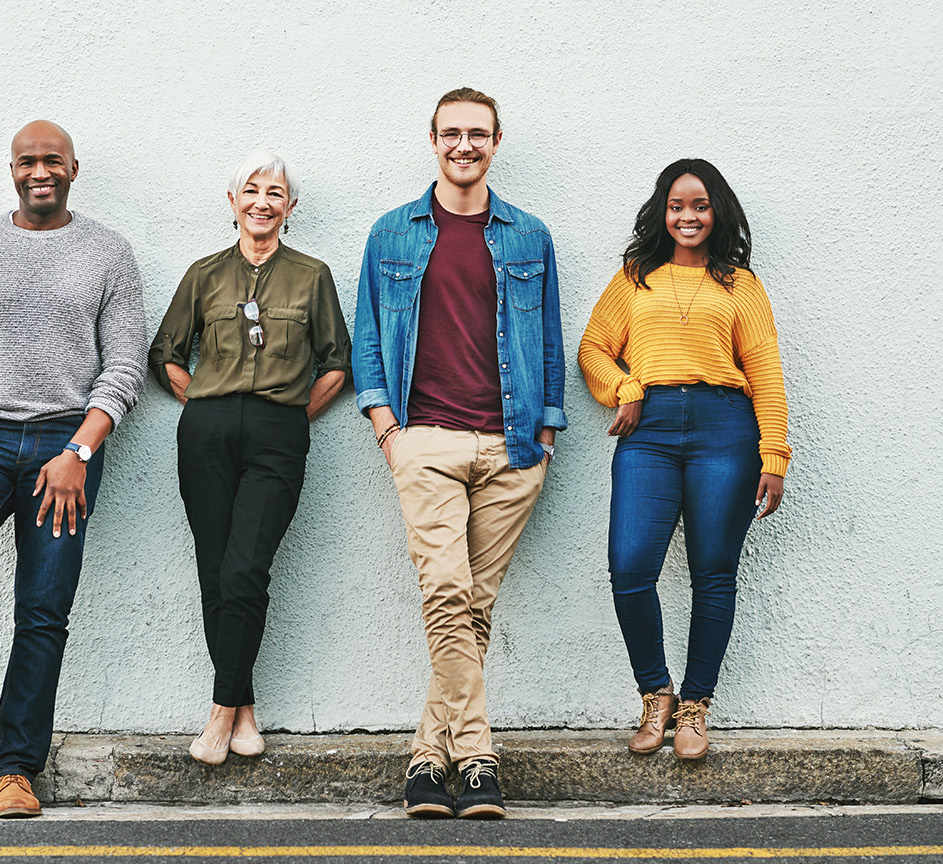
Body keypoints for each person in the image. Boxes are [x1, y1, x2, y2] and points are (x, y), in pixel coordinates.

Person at [0, 120, 147, 819]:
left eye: (51, 160)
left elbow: (124, 368)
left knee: (43, 609)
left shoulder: (107, 252)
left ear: (73, 168)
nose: (38, 171)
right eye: (25, 161)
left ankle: (14, 766)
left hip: (63, 448)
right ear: (11, 170)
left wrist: (78, 452)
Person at [352, 87, 566, 819]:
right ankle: (476, 758)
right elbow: (367, 345)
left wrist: (543, 435)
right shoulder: (392, 234)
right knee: (446, 592)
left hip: (510, 447)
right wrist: (388, 429)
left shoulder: (528, 236)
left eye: (477, 133)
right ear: (433, 140)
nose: (463, 145)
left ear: (496, 142)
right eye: (451, 133)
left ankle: (425, 760)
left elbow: (546, 343)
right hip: (426, 440)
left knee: (471, 608)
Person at [578, 158, 789, 761]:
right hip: (650, 429)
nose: (688, 216)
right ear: (661, 211)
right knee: (630, 566)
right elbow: (593, 348)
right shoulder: (634, 277)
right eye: (677, 205)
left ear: (716, 211)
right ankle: (656, 694)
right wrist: (624, 388)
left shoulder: (741, 286)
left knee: (714, 571)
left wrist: (773, 452)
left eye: (699, 205)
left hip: (726, 429)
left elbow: (766, 373)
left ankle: (696, 707)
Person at [147, 150, 350, 766]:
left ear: (291, 208)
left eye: (276, 192)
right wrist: (202, 400)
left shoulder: (312, 276)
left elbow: (337, 362)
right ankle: (246, 709)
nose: (263, 201)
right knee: (216, 570)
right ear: (233, 202)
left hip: (277, 433)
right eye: (251, 190)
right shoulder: (203, 275)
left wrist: (290, 416)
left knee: (245, 570)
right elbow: (166, 354)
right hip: (206, 430)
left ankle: (218, 712)